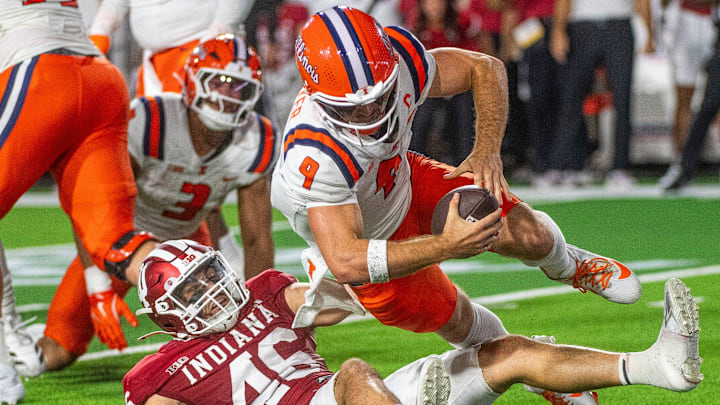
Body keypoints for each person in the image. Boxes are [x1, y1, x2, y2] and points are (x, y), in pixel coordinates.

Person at [272, 3, 640, 359]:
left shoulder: (400, 58)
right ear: (319, 100)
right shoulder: (314, 152)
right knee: (465, 324)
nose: (369, 111)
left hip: (402, 179)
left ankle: (569, 265)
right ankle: (536, 370)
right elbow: (348, 260)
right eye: (352, 107)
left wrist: (487, 149)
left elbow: (485, 68)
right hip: (367, 241)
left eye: (379, 95)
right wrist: (445, 245)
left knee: (530, 234)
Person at [125, 240, 704, 405]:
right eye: (191, 289)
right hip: (340, 394)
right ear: (165, 312)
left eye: (206, 275)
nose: (208, 290)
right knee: (353, 371)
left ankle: (655, 365)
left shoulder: (266, 294)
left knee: (507, 351)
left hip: (352, 399)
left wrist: (335, 275)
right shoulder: (159, 374)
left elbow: (336, 302)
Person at [35, 34, 279, 373]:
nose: (226, 96)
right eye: (219, 82)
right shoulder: (152, 121)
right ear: (193, 82)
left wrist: (261, 308)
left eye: (238, 88)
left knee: (227, 331)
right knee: (56, 353)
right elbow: (93, 207)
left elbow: (257, 237)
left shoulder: (256, 140)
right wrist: (98, 286)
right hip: (124, 242)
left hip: (190, 244)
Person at [0, 0, 159, 399]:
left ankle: (6, 354)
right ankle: (232, 330)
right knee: (116, 242)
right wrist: (96, 284)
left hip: (36, 68)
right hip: (97, 77)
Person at [550, 0, 654, 188]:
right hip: (582, 26)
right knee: (572, 97)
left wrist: (649, 33)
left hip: (619, 25)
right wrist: (558, 30)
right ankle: (561, 165)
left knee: (622, 99)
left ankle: (620, 168)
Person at [88, 0, 255, 96]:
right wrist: (100, 30)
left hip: (205, 51)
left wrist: (220, 30)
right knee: (150, 138)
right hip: (153, 60)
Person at [658, 0, 717, 188]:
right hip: (685, 19)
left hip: (713, 20)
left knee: (712, 99)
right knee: (685, 99)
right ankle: (680, 163)